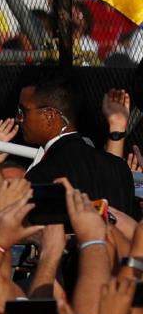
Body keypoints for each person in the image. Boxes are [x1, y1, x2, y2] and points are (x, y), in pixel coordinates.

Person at [18, 77, 138, 218]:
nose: (18, 118)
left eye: (23, 112)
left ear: (49, 115)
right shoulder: (119, 167)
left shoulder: (42, 174)